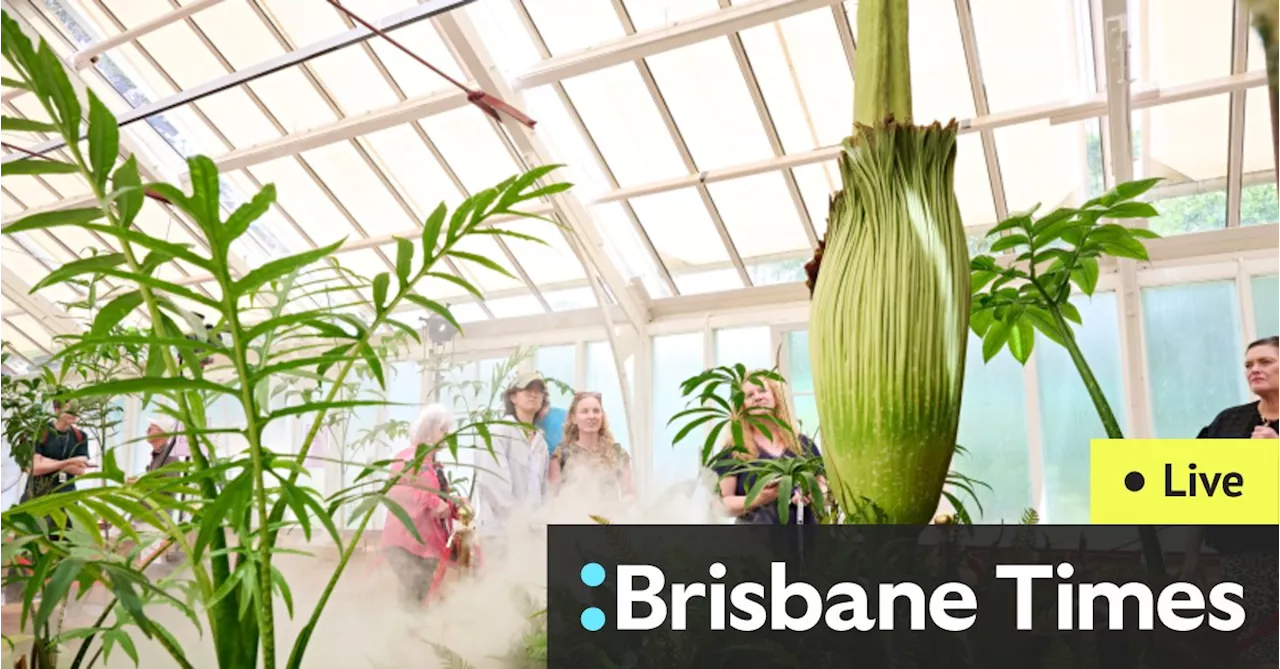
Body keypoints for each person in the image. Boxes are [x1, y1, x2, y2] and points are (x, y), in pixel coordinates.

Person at [1183, 336, 1280, 667]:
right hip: (1239, 557)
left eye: (1265, 362)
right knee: (1248, 648)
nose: (1254, 369)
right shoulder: (1227, 422)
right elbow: (1195, 486)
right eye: (1249, 364)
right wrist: (1189, 559)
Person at [712, 372, 826, 525]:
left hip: (804, 539)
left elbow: (822, 484)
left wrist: (812, 494)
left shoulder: (802, 443)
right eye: (750, 395)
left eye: (762, 391)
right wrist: (759, 498)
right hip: (754, 542)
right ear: (742, 406)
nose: (758, 397)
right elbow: (720, 504)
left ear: (775, 398)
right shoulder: (735, 449)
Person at [381, 404, 458, 608]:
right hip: (407, 542)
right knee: (415, 597)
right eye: (443, 429)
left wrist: (456, 505)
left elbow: (438, 499)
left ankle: (414, 635)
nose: (447, 435)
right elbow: (396, 491)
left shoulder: (433, 463)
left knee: (424, 598)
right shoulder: (409, 456)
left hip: (427, 545)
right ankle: (407, 635)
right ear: (429, 429)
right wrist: (433, 502)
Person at [472, 371, 549, 541]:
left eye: (539, 391)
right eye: (528, 389)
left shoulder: (540, 442)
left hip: (530, 532)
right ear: (513, 397)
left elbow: (542, 489)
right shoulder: (497, 432)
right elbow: (492, 482)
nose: (534, 394)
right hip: (499, 532)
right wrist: (517, 520)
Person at [547, 391, 634, 500]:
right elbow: (552, 496)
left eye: (596, 411)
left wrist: (618, 508)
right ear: (573, 418)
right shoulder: (561, 455)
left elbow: (629, 493)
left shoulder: (617, 453)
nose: (591, 416)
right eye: (585, 412)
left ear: (602, 416)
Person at [21, 399, 94, 503]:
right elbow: (34, 468)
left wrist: (44, 461)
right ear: (56, 410)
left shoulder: (80, 436)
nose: (74, 414)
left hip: (67, 495)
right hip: (37, 494)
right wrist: (69, 462)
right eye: (69, 410)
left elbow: (80, 470)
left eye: (76, 410)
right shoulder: (40, 431)